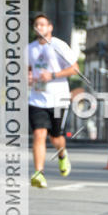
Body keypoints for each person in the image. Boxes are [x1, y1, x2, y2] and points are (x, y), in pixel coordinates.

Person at [27, 13, 78, 188]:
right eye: (36, 25)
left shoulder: (58, 45)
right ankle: (39, 173)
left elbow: (75, 69)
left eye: (42, 24)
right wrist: (28, 77)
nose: (39, 27)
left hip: (59, 99)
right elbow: (27, 69)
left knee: (55, 137)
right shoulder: (30, 49)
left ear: (50, 28)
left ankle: (62, 155)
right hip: (36, 99)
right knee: (39, 134)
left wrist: (52, 75)